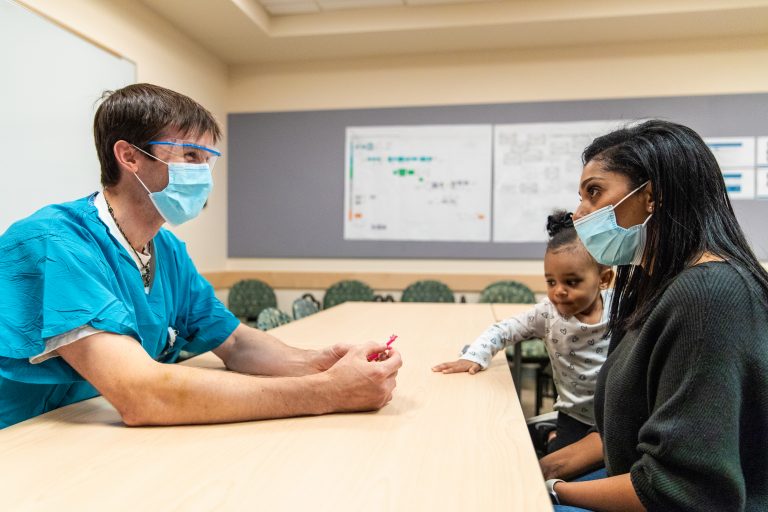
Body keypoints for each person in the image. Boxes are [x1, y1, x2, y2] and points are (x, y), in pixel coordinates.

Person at [0, 83, 401, 429]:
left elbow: (238, 345)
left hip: (93, 427)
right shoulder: (55, 241)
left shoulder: (167, 251)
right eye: (191, 156)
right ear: (130, 156)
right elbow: (141, 395)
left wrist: (327, 363)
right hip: (24, 439)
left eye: (209, 161)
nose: (204, 174)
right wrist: (326, 393)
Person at [543, 120, 768, 511]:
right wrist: (544, 468)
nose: (579, 214)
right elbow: (631, 429)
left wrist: (553, 490)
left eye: (594, 192)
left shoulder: (708, 295)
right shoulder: (653, 285)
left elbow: (681, 491)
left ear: (652, 196)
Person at [432, 210, 614, 453]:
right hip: (574, 417)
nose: (559, 291)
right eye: (551, 282)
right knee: (557, 463)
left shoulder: (621, 306)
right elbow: (504, 329)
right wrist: (475, 355)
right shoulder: (548, 314)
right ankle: (549, 434)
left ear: (604, 279)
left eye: (572, 282)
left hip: (613, 414)